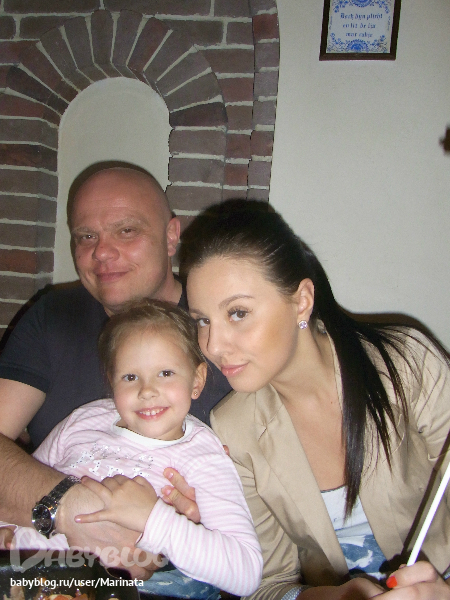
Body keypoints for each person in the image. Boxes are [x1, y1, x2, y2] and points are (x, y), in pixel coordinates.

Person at [178, 199, 450, 600]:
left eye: (237, 313)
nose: (213, 345)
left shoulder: (404, 364)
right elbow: (267, 585)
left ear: (302, 301)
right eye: (203, 320)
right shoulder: (234, 427)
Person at [0, 166, 230, 577]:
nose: (102, 252)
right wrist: (65, 506)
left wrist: (193, 526)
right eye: (86, 236)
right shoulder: (55, 316)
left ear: (171, 236)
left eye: (126, 230)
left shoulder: (222, 329)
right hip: (50, 569)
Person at [0, 300, 262, 598]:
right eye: (130, 377)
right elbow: (22, 485)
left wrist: (153, 519)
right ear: (111, 382)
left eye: (166, 373)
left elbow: (245, 572)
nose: (147, 390)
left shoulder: (202, 455)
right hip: (22, 578)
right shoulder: (83, 420)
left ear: (197, 380)